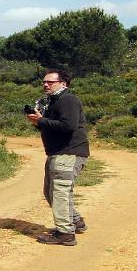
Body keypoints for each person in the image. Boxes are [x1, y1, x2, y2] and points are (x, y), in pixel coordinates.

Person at [26, 69, 90, 246]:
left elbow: (68, 126)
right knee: (50, 192)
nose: (45, 84)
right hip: (58, 152)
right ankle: (75, 222)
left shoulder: (68, 99)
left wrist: (41, 121)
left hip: (69, 152)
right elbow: (53, 126)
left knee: (60, 192)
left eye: (50, 82)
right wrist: (39, 121)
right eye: (44, 82)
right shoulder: (53, 101)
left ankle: (65, 234)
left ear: (63, 83)